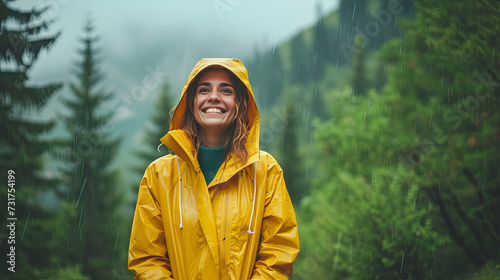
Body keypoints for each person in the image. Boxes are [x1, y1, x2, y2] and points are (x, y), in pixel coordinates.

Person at [128, 58, 300, 279]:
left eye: (226, 90)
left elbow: (279, 252)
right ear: (191, 102)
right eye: (204, 89)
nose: (214, 97)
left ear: (240, 103)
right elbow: (147, 259)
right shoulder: (159, 175)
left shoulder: (265, 171)